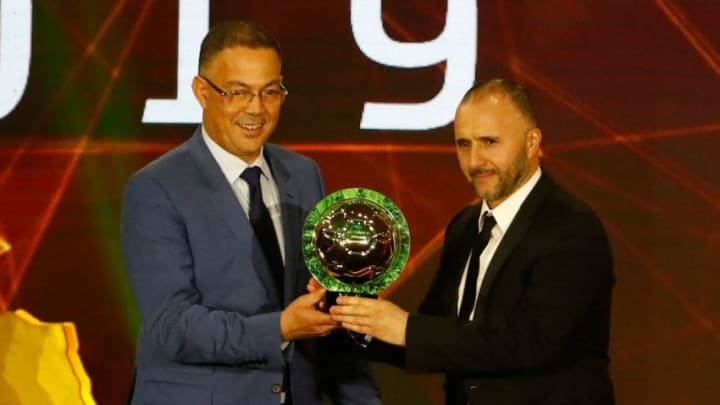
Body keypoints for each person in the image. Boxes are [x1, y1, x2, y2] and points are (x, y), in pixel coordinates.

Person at [122, 20, 380, 405]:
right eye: (237, 92)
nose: (256, 109)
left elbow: (322, 304)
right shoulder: (156, 188)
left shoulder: (304, 174)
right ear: (201, 92)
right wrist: (280, 327)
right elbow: (171, 327)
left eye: (270, 91)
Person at [329, 78, 615, 404]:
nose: (475, 160)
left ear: (532, 141)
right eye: (464, 144)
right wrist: (352, 313)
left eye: (489, 142)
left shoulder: (571, 228)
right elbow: (436, 335)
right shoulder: (465, 227)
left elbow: (530, 343)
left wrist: (408, 329)